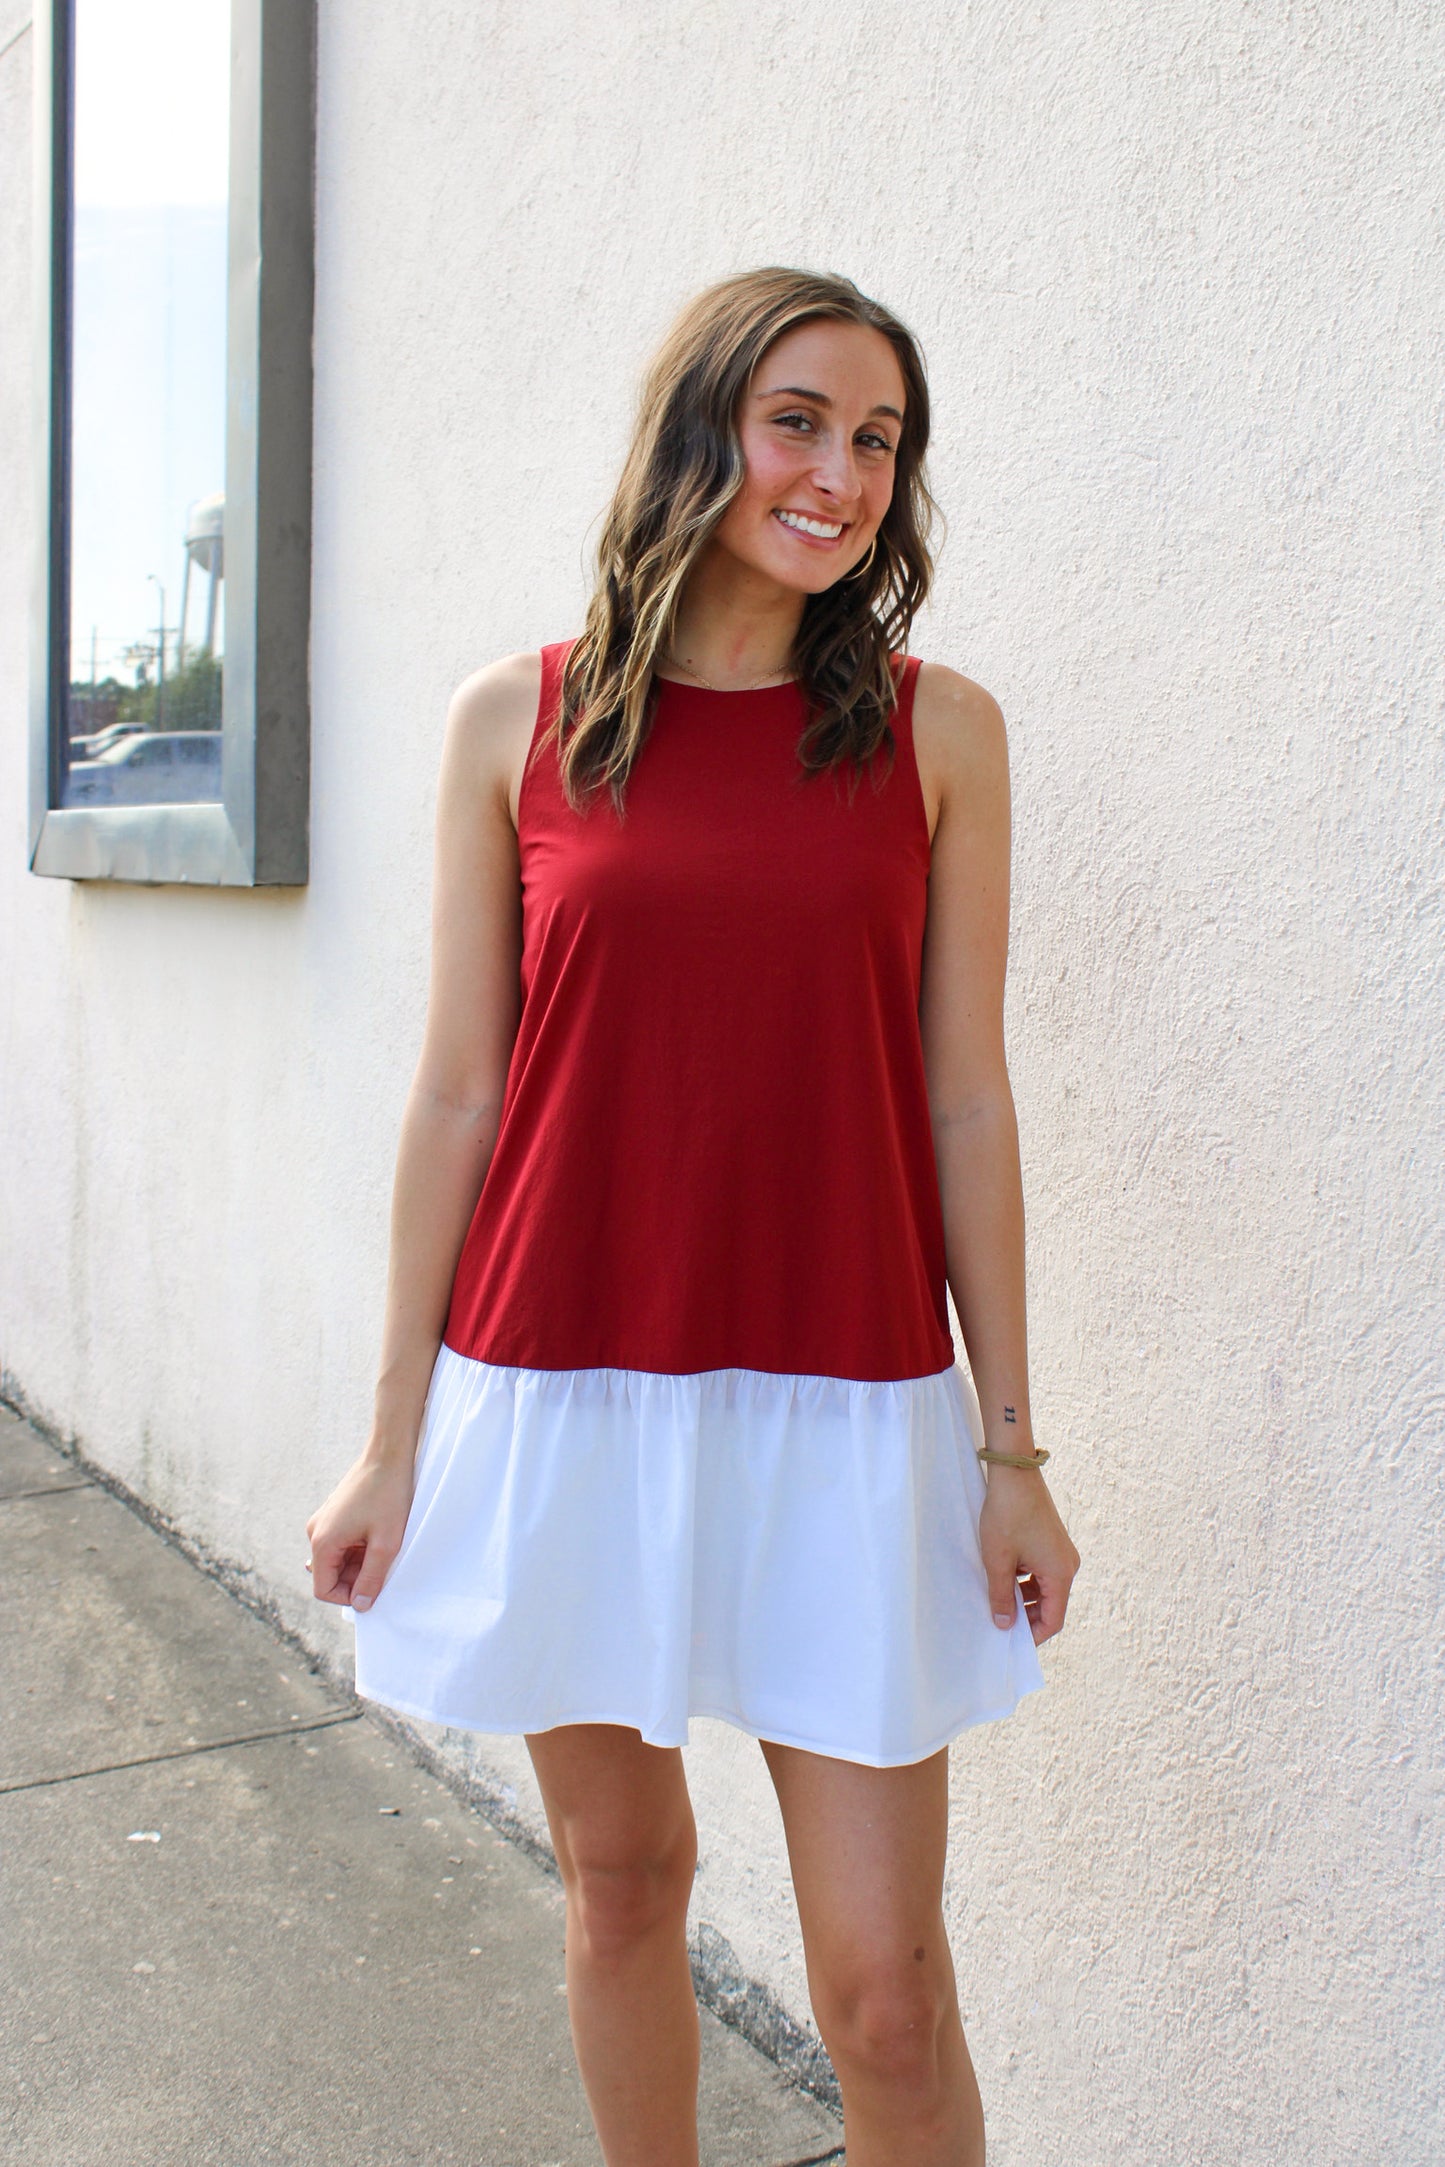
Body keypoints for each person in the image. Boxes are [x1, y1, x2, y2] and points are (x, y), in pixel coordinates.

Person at [306, 265, 1080, 2167]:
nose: (839, 474)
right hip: (560, 1390)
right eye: (798, 420)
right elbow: (458, 1094)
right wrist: (393, 1440)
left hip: (849, 1398)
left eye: (879, 440)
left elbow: (964, 1097)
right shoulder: (522, 719)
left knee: (885, 1996)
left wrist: (1011, 1446)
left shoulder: (939, 733)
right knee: (625, 1882)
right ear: (702, 430)